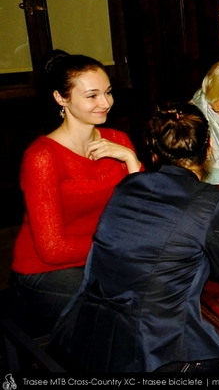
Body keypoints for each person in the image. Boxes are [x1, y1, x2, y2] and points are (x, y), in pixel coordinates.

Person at [53, 103, 219, 372]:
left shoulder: (127, 185)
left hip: (88, 332)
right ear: (209, 146)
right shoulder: (212, 201)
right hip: (151, 351)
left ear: (155, 151)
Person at [10, 51, 142, 333]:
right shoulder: (42, 157)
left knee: (169, 289)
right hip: (47, 270)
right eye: (92, 96)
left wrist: (131, 160)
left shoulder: (118, 140)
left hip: (103, 256)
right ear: (61, 98)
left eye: (108, 92)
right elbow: (52, 249)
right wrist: (119, 244)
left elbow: (145, 212)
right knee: (125, 311)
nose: (105, 103)